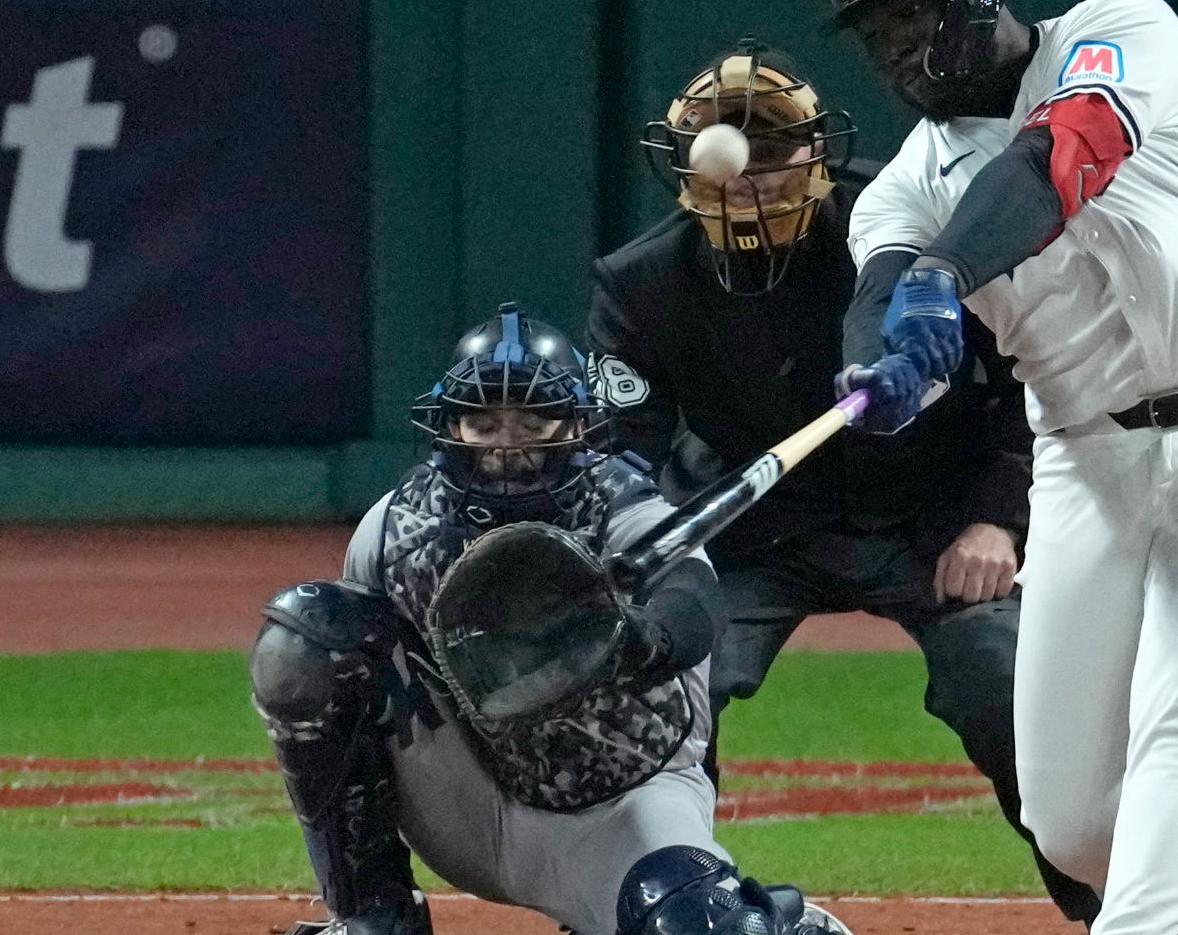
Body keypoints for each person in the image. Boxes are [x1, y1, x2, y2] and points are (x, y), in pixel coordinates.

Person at [824, 0, 1178, 935]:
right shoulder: (903, 193)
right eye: (876, 29)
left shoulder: (1120, 28)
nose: (895, 45)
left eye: (912, 9)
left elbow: (1062, 156)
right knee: (1069, 823)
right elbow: (877, 296)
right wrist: (881, 373)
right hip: (1085, 472)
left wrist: (944, 274)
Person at [587, 39, 1101, 927]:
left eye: (774, 146)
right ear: (682, 166)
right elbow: (618, 448)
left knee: (1006, 682)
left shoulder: (902, 223)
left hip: (932, 520)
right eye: (725, 147)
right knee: (664, 692)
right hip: (750, 534)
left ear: (817, 152)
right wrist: (646, 538)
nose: (748, 173)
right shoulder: (641, 287)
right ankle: (652, 910)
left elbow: (1028, 379)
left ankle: (1114, 903)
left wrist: (996, 519)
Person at [249, 303, 844, 935]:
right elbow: (361, 667)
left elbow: (694, 604)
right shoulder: (395, 527)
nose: (508, 446)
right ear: (450, 426)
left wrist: (642, 638)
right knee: (304, 640)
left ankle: (776, 921)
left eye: (533, 421)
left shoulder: (627, 511)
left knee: (693, 926)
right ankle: (372, 914)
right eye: (484, 422)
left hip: (622, 804)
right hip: (469, 797)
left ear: (574, 428)